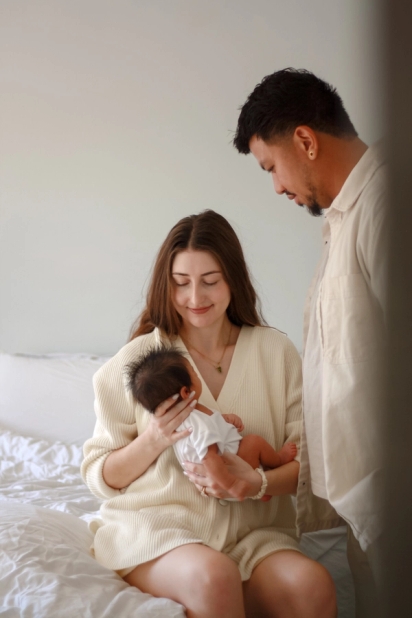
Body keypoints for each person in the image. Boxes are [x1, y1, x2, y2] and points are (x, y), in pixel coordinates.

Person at [184, 69, 387, 617]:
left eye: (271, 167)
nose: (275, 186)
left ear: (305, 140)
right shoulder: (344, 220)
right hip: (367, 500)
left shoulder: (387, 205)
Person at [82, 209, 337, 618]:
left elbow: (309, 462)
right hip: (160, 532)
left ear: (233, 279)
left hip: (254, 537)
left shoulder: (277, 353)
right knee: (214, 577)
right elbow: (100, 476)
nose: (195, 299)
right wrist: (154, 438)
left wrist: (256, 482)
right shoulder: (140, 362)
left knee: (312, 585)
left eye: (210, 282)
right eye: (181, 284)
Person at [125, 344, 297, 500]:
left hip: (219, 475)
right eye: (193, 372)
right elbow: (209, 457)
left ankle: (262, 493)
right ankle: (278, 460)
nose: (197, 374)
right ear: (186, 392)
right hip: (227, 474)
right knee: (254, 442)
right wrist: (232, 484)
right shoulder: (197, 422)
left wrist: (224, 420)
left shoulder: (184, 420)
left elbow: (207, 430)